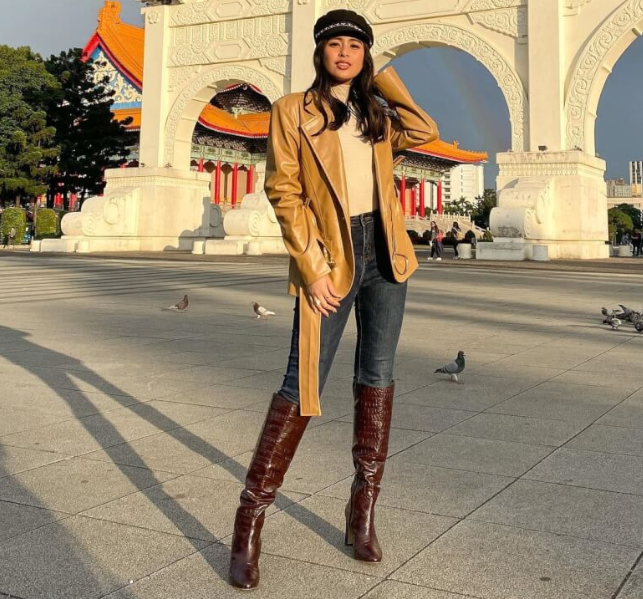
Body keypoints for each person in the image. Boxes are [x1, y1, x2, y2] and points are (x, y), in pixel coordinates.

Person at [228, 9, 438, 591]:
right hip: (331, 257)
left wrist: (383, 77)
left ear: (366, 56)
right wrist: (312, 267)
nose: (344, 53)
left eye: (356, 46)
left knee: (378, 377)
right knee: (302, 384)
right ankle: (250, 520)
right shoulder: (292, 110)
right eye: (335, 44)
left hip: (386, 256)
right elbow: (284, 190)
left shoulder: (377, 115)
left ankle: (361, 511)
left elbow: (424, 128)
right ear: (319, 52)